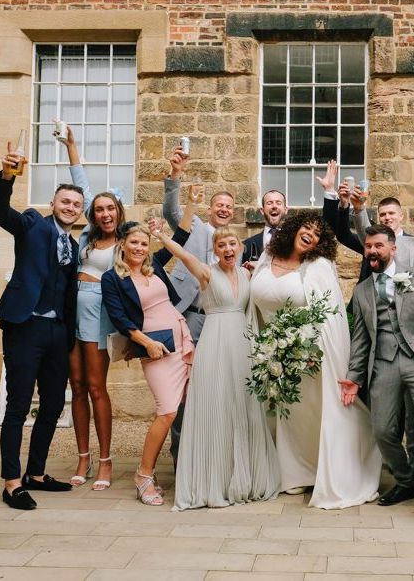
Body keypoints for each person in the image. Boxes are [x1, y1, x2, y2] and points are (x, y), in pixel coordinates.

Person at [248, 210, 381, 509]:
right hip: (271, 352)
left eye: (317, 234)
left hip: (310, 354)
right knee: (287, 414)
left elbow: (330, 313)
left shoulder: (318, 265)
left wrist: (312, 349)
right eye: (306, 228)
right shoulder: (267, 257)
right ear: (294, 229)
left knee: (315, 411)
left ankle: (329, 468)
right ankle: (294, 473)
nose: (310, 234)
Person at [153, 222, 281, 510]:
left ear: (240, 247)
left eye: (232, 244)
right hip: (214, 342)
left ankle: (245, 477)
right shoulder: (206, 273)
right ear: (215, 250)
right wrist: (162, 237)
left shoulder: (248, 273)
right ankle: (214, 479)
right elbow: (184, 257)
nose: (227, 249)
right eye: (221, 245)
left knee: (243, 402)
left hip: (242, 343)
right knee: (216, 403)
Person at [0, 142, 84, 510]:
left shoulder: (74, 246)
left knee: (51, 406)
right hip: (25, 326)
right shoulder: (31, 223)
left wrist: (69, 332)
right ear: (53, 203)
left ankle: (37, 473)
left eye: (76, 205)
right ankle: (12, 482)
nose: (71, 208)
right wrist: (7, 176)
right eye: (65, 202)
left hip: (58, 332)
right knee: (17, 405)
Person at [340, 224, 414, 533]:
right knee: (383, 430)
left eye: (378, 246)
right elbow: (361, 339)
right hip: (384, 363)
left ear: (393, 249)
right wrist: (354, 377)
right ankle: (404, 480)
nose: (372, 251)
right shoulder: (362, 291)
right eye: (369, 247)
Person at [101, 221, 195, 505]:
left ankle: (190, 472)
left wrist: (184, 207)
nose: (140, 248)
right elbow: (120, 318)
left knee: (188, 409)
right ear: (123, 245)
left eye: (144, 244)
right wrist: (146, 343)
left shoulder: (152, 268)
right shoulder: (112, 278)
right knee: (166, 411)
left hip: (183, 339)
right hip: (156, 348)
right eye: (134, 243)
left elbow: (181, 238)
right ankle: (143, 475)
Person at [59, 127, 125, 489]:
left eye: (109, 208)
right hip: (73, 316)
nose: (103, 214)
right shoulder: (87, 236)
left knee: (98, 387)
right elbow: (81, 186)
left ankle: (105, 461)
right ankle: (82, 457)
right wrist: (72, 147)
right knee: (78, 384)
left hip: (100, 319)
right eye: (98, 210)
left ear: (118, 211)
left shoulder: (124, 242)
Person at [162, 144, 235, 464]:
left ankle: (212, 456)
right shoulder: (195, 230)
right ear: (211, 209)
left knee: (216, 390)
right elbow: (171, 213)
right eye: (218, 204)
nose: (222, 209)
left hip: (220, 325)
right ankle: (181, 458)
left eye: (228, 206)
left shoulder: (237, 247)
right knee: (182, 389)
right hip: (189, 318)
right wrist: (176, 175)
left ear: (233, 213)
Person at [242, 189, 287, 268]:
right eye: (269, 203)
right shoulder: (246, 245)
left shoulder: (295, 241)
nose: (274, 206)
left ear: (285, 210)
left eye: (278, 203)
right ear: (262, 211)